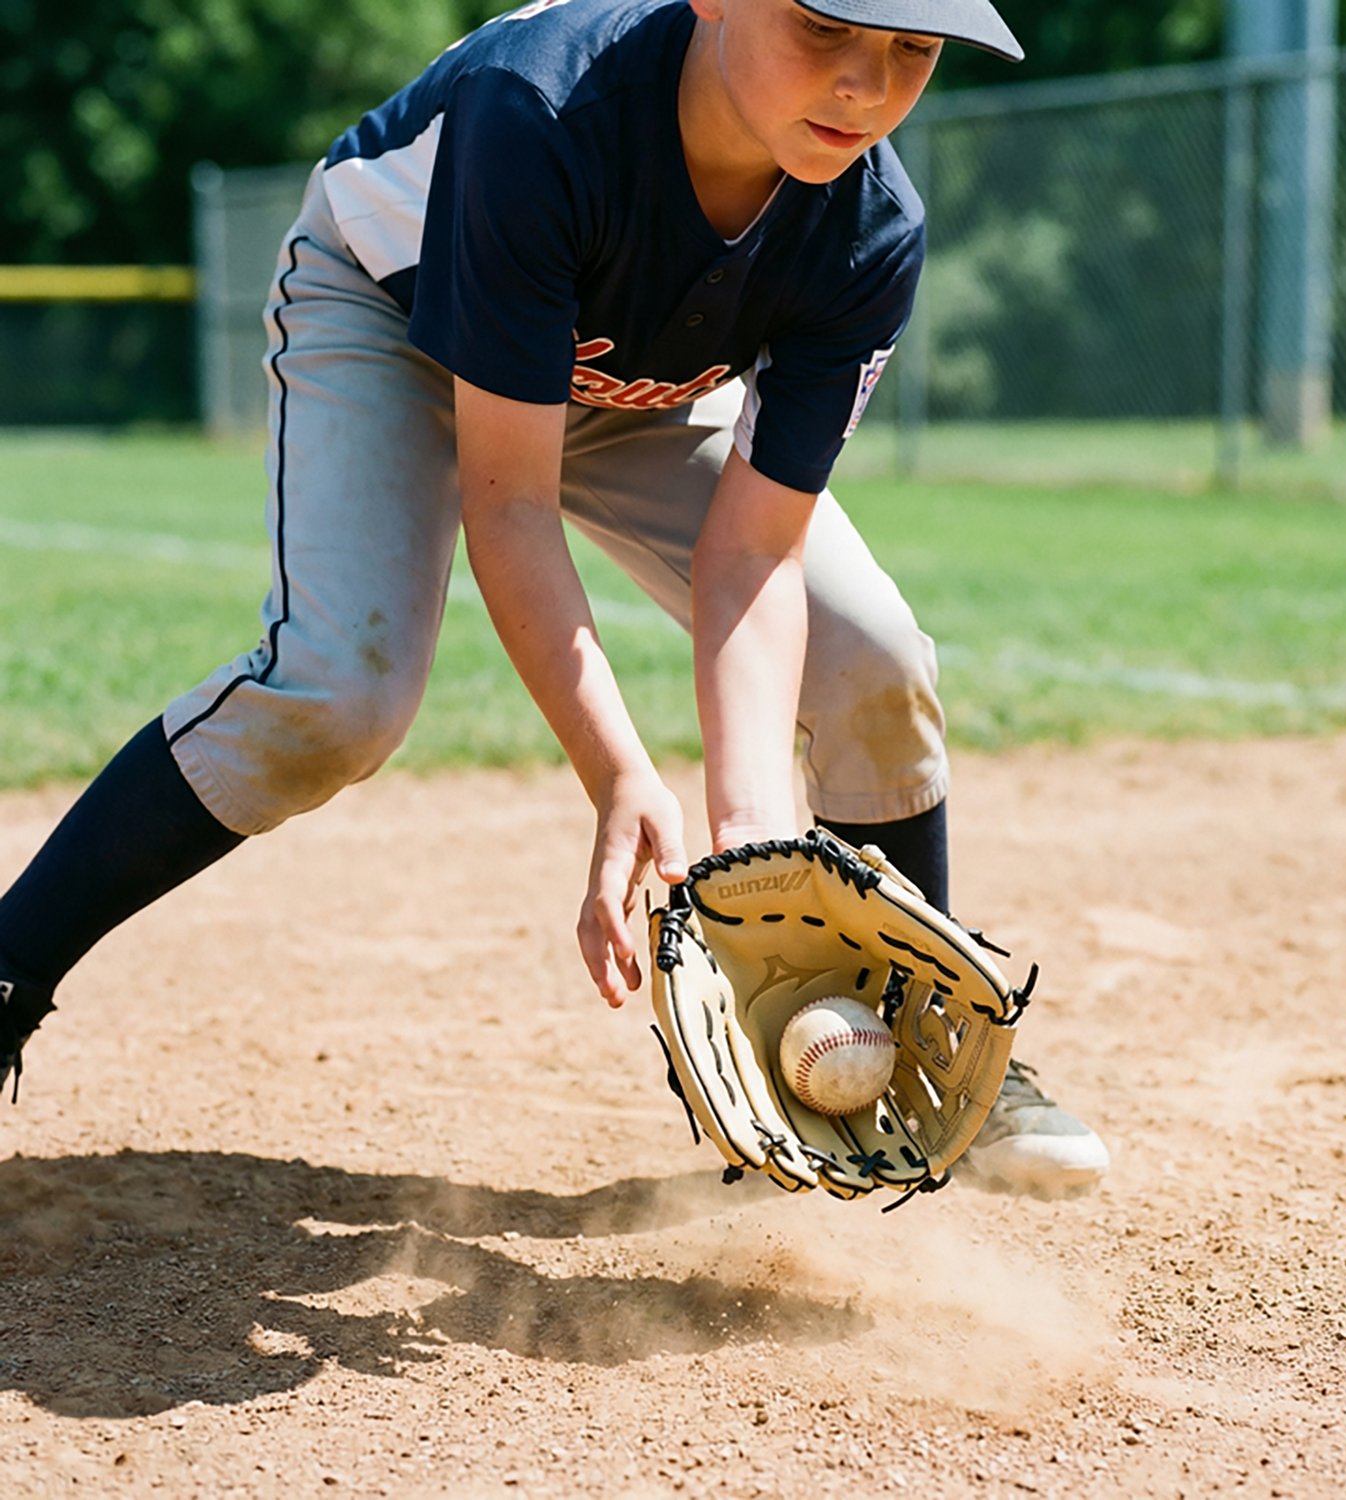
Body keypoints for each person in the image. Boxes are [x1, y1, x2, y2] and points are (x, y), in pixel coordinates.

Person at [0, 0, 1108, 1198]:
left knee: (875, 656)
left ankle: (926, 1041)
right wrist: (618, 772)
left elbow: (755, 554)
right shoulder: (543, 109)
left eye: (912, 50)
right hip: (398, 322)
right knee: (340, 693)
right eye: (825, 28)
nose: (864, 85)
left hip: (635, 388)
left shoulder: (868, 226)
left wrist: (754, 840)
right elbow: (511, 505)